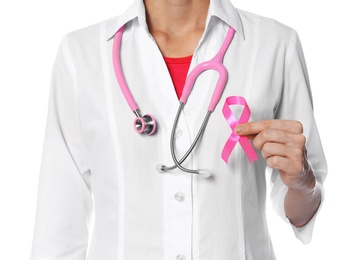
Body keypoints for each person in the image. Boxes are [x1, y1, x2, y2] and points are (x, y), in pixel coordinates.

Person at [30, 0, 327, 259]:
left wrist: (303, 184)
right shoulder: (81, 55)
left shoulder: (274, 45)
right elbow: (58, 228)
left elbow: (302, 209)